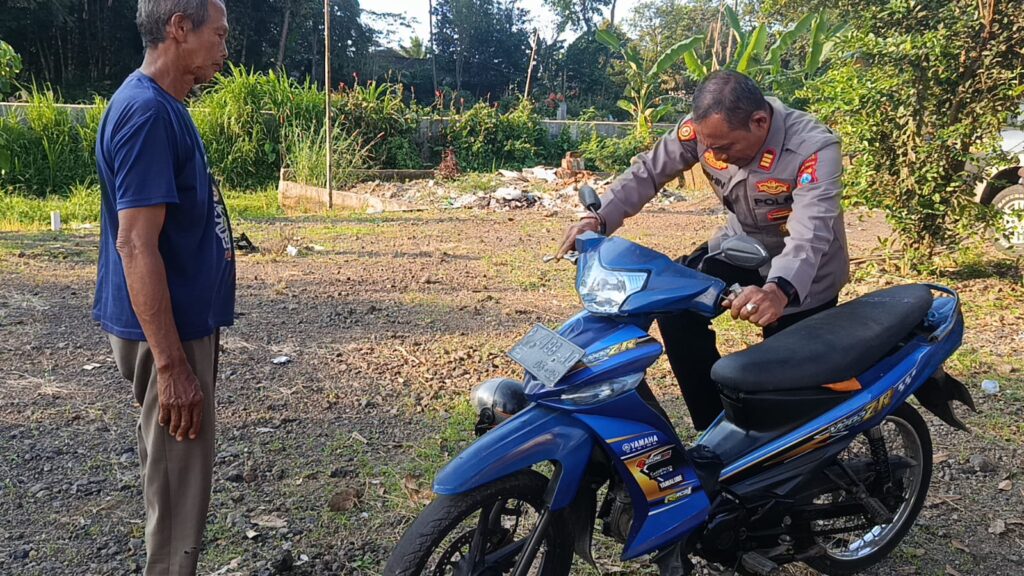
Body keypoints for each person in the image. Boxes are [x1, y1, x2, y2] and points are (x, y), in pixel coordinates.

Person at [557, 70, 850, 431]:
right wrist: (598, 220)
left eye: (724, 147)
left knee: (784, 377)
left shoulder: (813, 148)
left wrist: (779, 291)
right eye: (708, 147)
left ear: (759, 122)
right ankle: (714, 431)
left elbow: (811, 233)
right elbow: (648, 172)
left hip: (805, 273)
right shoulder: (704, 132)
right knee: (676, 309)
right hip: (740, 246)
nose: (713, 155)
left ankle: (794, 446)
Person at [92, 1, 232, 573]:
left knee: (175, 474)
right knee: (178, 490)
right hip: (167, 334)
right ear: (179, 27)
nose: (225, 48)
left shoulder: (163, 106)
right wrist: (173, 367)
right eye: (218, 34)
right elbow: (134, 244)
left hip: (176, 326)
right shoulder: (147, 114)